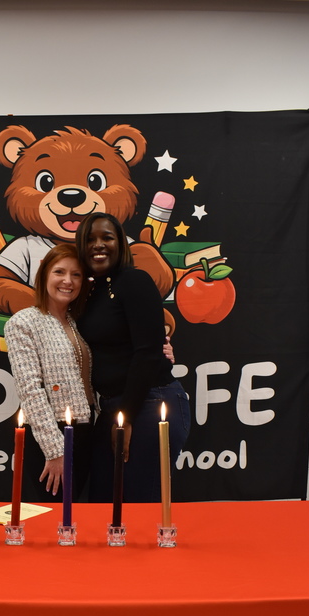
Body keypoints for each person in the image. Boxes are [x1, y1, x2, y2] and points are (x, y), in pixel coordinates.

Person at [75, 212, 190, 503]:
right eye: (89, 239)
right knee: (103, 508)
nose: (98, 245)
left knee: (139, 510)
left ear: (121, 243)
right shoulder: (93, 290)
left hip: (149, 405)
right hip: (115, 408)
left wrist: (124, 420)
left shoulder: (135, 280)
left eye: (106, 237)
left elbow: (147, 353)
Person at [4, 244, 95, 502]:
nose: (68, 281)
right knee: (56, 518)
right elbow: (30, 391)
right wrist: (55, 450)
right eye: (59, 272)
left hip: (87, 432)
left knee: (79, 514)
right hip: (51, 435)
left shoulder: (79, 322)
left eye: (76, 275)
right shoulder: (23, 322)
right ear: (44, 275)